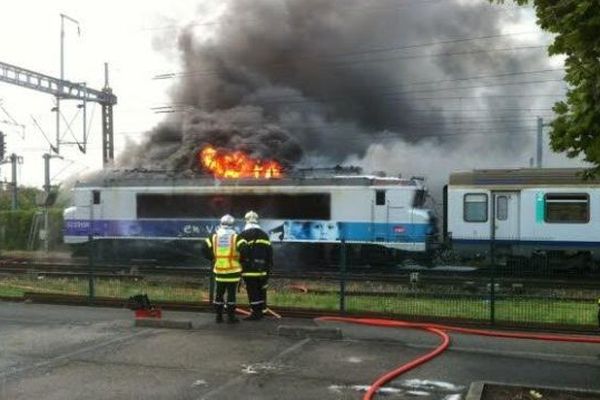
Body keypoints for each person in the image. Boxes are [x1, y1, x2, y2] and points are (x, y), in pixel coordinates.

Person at [202, 214, 245, 324]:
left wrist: (213, 258)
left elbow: (203, 248)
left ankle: (219, 316)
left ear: (220, 224)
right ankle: (231, 317)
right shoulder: (236, 237)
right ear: (232, 225)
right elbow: (245, 249)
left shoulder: (214, 236)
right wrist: (240, 260)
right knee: (231, 295)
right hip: (233, 271)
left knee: (219, 294)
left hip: (219, 270)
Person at [239, 210, 273, 321]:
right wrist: (268, 267)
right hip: (263, 269)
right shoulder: (264, 235)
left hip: (249, 269)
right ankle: (262, 311)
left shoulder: (243, 235)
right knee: (261, 290)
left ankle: (255, 313)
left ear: (246, 221)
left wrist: (240, 266)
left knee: (252, 291)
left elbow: (240, 252)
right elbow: (269, 253)